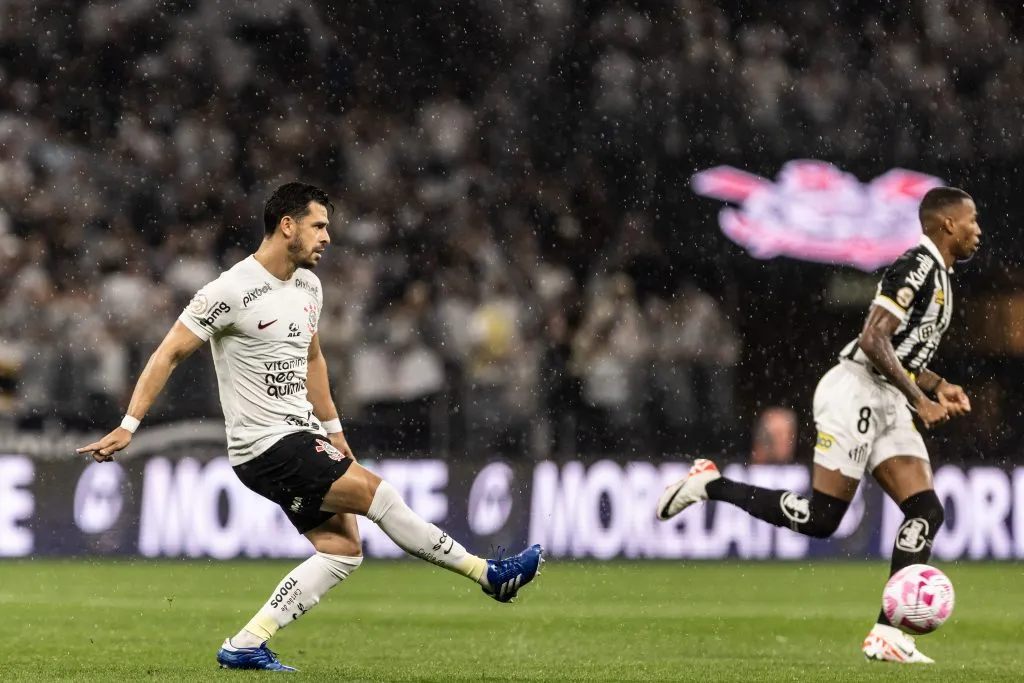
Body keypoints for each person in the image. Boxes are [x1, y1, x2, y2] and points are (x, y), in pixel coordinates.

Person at [78, 182, 544, 671]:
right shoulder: (230, 290)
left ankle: (245, 644)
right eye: (319, 226)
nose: (327, 238)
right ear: (287, 226)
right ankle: (488, 574)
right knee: (379, 496)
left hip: (301, 436)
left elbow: (313, 357)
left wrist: (335, 431)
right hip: (265, 445)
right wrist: (129, 425)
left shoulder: (308, 286)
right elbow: (168, 352)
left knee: (342, 550)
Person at [656, 187, 981, 664]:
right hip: (855, 393)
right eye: (972, 220)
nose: (978, 230)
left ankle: (888, 634)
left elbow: (904, 349)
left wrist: (937, 384)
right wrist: (920, 400)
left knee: (926, 511)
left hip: (888, 397)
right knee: (822, 519)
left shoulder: (943, 276)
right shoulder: (917, 266)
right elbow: (873, 339)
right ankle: (711, 484)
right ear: (947, 224)